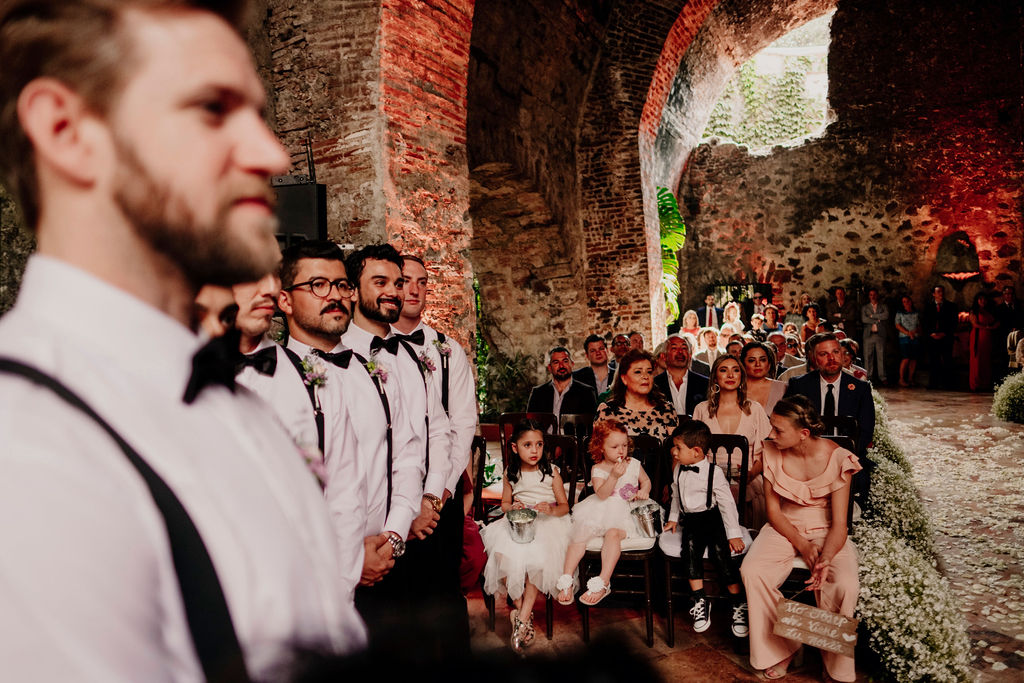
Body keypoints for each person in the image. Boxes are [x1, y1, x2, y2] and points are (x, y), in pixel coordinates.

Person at [0, 1, 365, 677]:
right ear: (66, 130)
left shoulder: (239, 403)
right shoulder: (25, 450)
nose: (269, 153)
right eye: (211, 109)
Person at [740, 396, 861, 682]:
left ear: (803, 434)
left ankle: (832, 662)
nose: (771, 435)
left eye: (778, 430)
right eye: (772, 427)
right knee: (752, 571)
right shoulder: (771, 450)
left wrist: (826, 558)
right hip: (784, 524)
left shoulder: (840, 458)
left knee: (845, 584)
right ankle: (785, 648)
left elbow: (841, 524)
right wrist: (804, 546)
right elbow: (773, 512)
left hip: (828, 528)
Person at [393, 253, 478, 654]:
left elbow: (463, 426)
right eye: (405, 280)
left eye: (422, 282)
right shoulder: (369, 347)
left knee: (442, 589)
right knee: (397, 592)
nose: (414, 288)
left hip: (440, 492)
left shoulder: (448, 351)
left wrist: (439, 491)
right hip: (388, 492)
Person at [480, 420, 572, 652]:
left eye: (539, 444)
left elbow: (564, 506)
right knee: (499, 557)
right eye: (528, 445)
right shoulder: (511, 473)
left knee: (535, 563)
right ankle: (522, 611)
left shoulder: (552, 473)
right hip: (519, 523)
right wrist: (512, 507)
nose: (534, 450)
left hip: (548, 524)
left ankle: (522, 620)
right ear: (514, 448)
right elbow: (504, 504)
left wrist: (551, 510)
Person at [659, 420, 749, 637]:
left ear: (696, 451)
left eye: (678, 447)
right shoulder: (679, 469)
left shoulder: (714, 473)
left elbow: (727, 504)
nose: (673, 452)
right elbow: (676, 496)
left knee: (721, 555)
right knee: (689, 553)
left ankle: (738, 603)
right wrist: (672, 518)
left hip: (712, 519)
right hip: (690, 521)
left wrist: (734, 534)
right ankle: (700, 598)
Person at [557, 419, 652, 606]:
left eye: (624, 445)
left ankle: (603, 582)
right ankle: (566, 578)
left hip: (627, 511)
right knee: (580, 534)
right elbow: (602, 494)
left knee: (612, 533)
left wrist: (644, 490)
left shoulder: (633, 463)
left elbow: (646, 481)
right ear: (601, 448)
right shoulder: (598, 468)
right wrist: (614, 476)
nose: (621, 451)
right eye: (615, 446)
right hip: (600, 507)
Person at [785, 333, 875, 502]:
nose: (831, 358)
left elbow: (865, 432)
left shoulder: (860, 388)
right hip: (807, 456)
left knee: (861, 480)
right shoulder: (799, 385)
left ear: (842, 354)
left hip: (847, 456)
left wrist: (839, 458)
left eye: (835, 352)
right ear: (814, 358)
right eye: (823, 354)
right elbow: (790, 426)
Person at [693, 355, 772, 528]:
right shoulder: (701, 409)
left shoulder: (755, 409)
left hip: (749, 475)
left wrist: (751, 474)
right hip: (708, 476)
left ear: (741, 377)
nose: (730, 375)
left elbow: (767, 450)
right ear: (715, 377)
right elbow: (694, 451)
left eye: (735, 370)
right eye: (724, 370)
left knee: (749, 494)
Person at [596, 349, 678, 441]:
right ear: (624, 379)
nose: (645, 376)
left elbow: (675, 450)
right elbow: (597, 451)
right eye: (638, 372)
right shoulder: (607, 411)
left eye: (649, 372)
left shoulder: (667, 410)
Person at [527, 347, 598, 420]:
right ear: (550, 368)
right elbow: (530, 423)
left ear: (572, 364)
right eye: (556, 362)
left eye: (565, 361)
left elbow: (591, 425)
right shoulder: (538, 393)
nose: (561, 366)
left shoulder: (586, 392)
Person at [654, 334, 709, 417]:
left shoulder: (705, 383)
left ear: (690, 356)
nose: (680, 352)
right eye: (674, 348)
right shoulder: (654, 385)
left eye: (684, 348)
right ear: (663, 356)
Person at [921, 285, 959, 389]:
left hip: (946, 337)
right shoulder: (928, 307)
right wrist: (931, 333)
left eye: (941, 291)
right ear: (933, 294)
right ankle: (933, 383)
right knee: (934, 360)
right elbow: (924, 323)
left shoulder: (951, 306)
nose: (940, 294)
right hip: (932, 338)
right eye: (938, 292)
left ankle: (948, 384)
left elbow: (954, 322)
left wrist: (944, 333)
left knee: (947, 360)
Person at [742, 342, 787, 415]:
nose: (758, 364)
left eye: (762, 360)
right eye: (751, 360)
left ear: (769, 364)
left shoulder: (784, 388)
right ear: (743, 364)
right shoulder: (736, 390)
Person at [968, 291, 1000, 392]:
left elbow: (995, 322)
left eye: (984, 299)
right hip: (978, 336)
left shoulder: (989, 311)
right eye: (980, 299)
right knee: (977, 360)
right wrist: (989, 327)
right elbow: (975, 324)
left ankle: (985, 384)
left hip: (987, 337)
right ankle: (975, 384)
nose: (983, 301)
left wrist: (994, 326)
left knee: (986, 360)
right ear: (977, 300)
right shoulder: (974, 311)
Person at [860, 287, 890, 386]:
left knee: (881, 357)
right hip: (869, 335)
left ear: (877, 295)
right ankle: (868, 377)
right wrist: (877, 320)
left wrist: (872, 316)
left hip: (880, 334)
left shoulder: (883, 306)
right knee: (868, 357)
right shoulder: (865, 307)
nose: (873, 296)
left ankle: (883, 377)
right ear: (869, 296)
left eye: (874, 294)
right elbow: (864, 319)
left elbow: (886, 315)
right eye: (871, 295)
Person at [894, 295, 921, 387]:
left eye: (907, 301)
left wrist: (914, 332)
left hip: (915, 337)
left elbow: (919, 325)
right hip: (904, 337)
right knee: (906, 357)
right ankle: (901, 379)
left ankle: (910, 378)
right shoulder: (900, 313)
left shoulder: (916, 312)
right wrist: (907, 333)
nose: (906, 303)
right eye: (904, 302)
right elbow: (897, 325)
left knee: (913, 358)